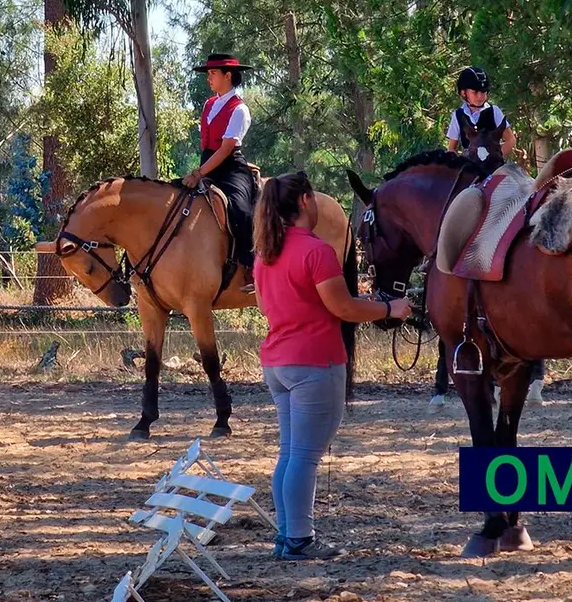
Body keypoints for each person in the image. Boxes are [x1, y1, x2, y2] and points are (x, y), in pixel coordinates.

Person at [253, 171, 412, 561]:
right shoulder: (317, 252)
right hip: (314, 362)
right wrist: (390, 308)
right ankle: (300, 540)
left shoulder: (265, 254)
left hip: (278, 362)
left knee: (290, 453)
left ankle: (287, 533)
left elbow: (264, 305)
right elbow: (344, 308)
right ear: (307, 202)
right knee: (304, 456)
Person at [436, 66, 544, 407]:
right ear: (464, 94)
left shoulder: (495, 112)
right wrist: (469, 158)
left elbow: (510, 139)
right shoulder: (457, 116)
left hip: (497, 169)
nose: (481, 95)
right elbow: (451, 147)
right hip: (471, 171)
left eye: (483, 91)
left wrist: (496, 154)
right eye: (475, 92)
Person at [184, 53, 259, 293]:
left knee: (239, 209)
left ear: (228, 76)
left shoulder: (240, 110)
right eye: (208, 74)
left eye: (213, 73)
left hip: (229, 168)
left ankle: (251, 268)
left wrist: (199, 173)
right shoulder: (208, 104)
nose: (209, 78)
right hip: (207, 165)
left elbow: (226, 148)